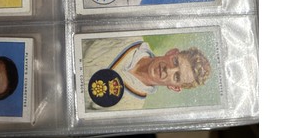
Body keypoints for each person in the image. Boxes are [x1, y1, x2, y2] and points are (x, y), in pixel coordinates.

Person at [82, 36, 211, 111]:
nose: (168, 69)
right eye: (175, 61)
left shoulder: (132, 107)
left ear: (174, 87)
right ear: (172, 52)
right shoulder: (130, 37)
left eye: (177, 76)